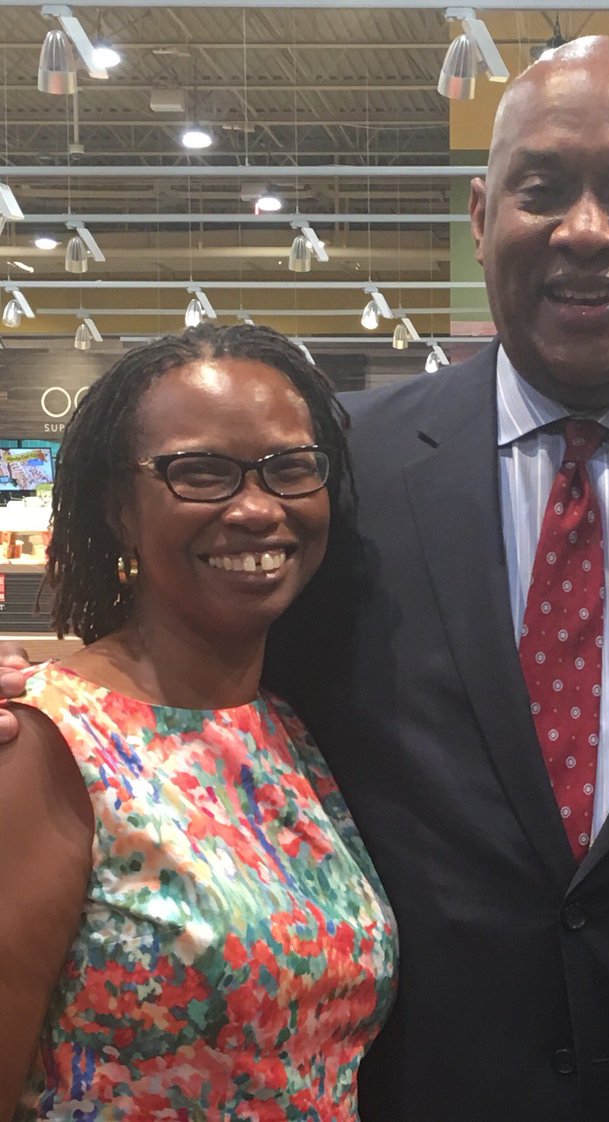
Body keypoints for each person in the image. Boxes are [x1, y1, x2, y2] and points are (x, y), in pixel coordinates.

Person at [1, 38, 609, 1120]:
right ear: (481, 214)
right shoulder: (328, 478)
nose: (584, 230)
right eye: (541, 189)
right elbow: (183, 669)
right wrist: (35, 706)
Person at [0, 324, 396, 1119]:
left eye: (290, 468)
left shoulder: (285, 730)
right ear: (119, 507)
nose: (256, 508)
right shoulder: (46, 743)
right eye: (201, 473)